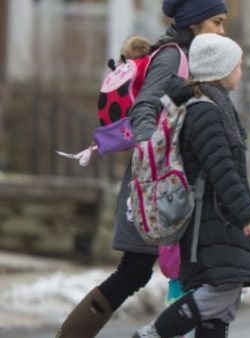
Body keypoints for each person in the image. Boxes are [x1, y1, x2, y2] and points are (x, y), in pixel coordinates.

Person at [57, 1, 228, 337]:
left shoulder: (191, 56)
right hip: (158, 181)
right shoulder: (173, 55)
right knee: (136, 272)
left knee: (208, 274)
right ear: (194, 23)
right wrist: (155, 155)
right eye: (217, 22)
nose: (222, 30)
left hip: (174, 179)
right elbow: (145, 108)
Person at [134, 33, 250, 338]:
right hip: (210, 219)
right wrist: (245, 213)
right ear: (221, 70)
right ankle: (151, 335)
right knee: (221, 291)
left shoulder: (213, 107)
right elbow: (219, 166)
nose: (241, 71)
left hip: (218, 216)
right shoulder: (206, 111)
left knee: (225, 300)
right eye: (238, 66)